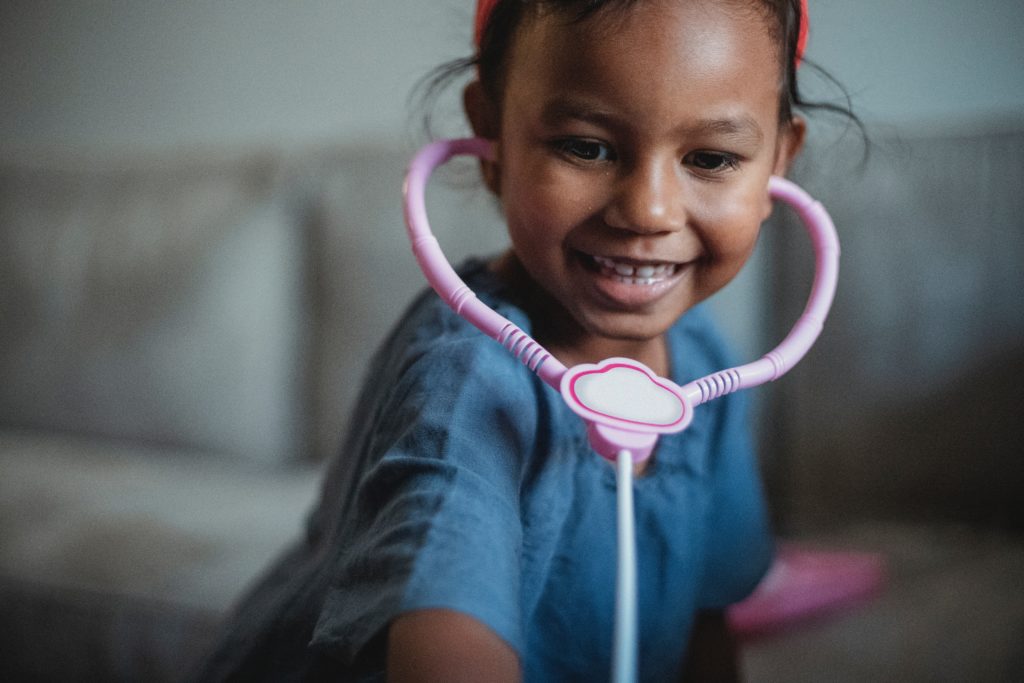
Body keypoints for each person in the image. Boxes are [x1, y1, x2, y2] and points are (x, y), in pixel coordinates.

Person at [193, 0, 835, 680]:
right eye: (586, 146)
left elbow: (706, 622)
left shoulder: (706, 367)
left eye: (711, 157)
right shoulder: (464, 379)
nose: (649, 209)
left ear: (777, 163)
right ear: (492, 131)